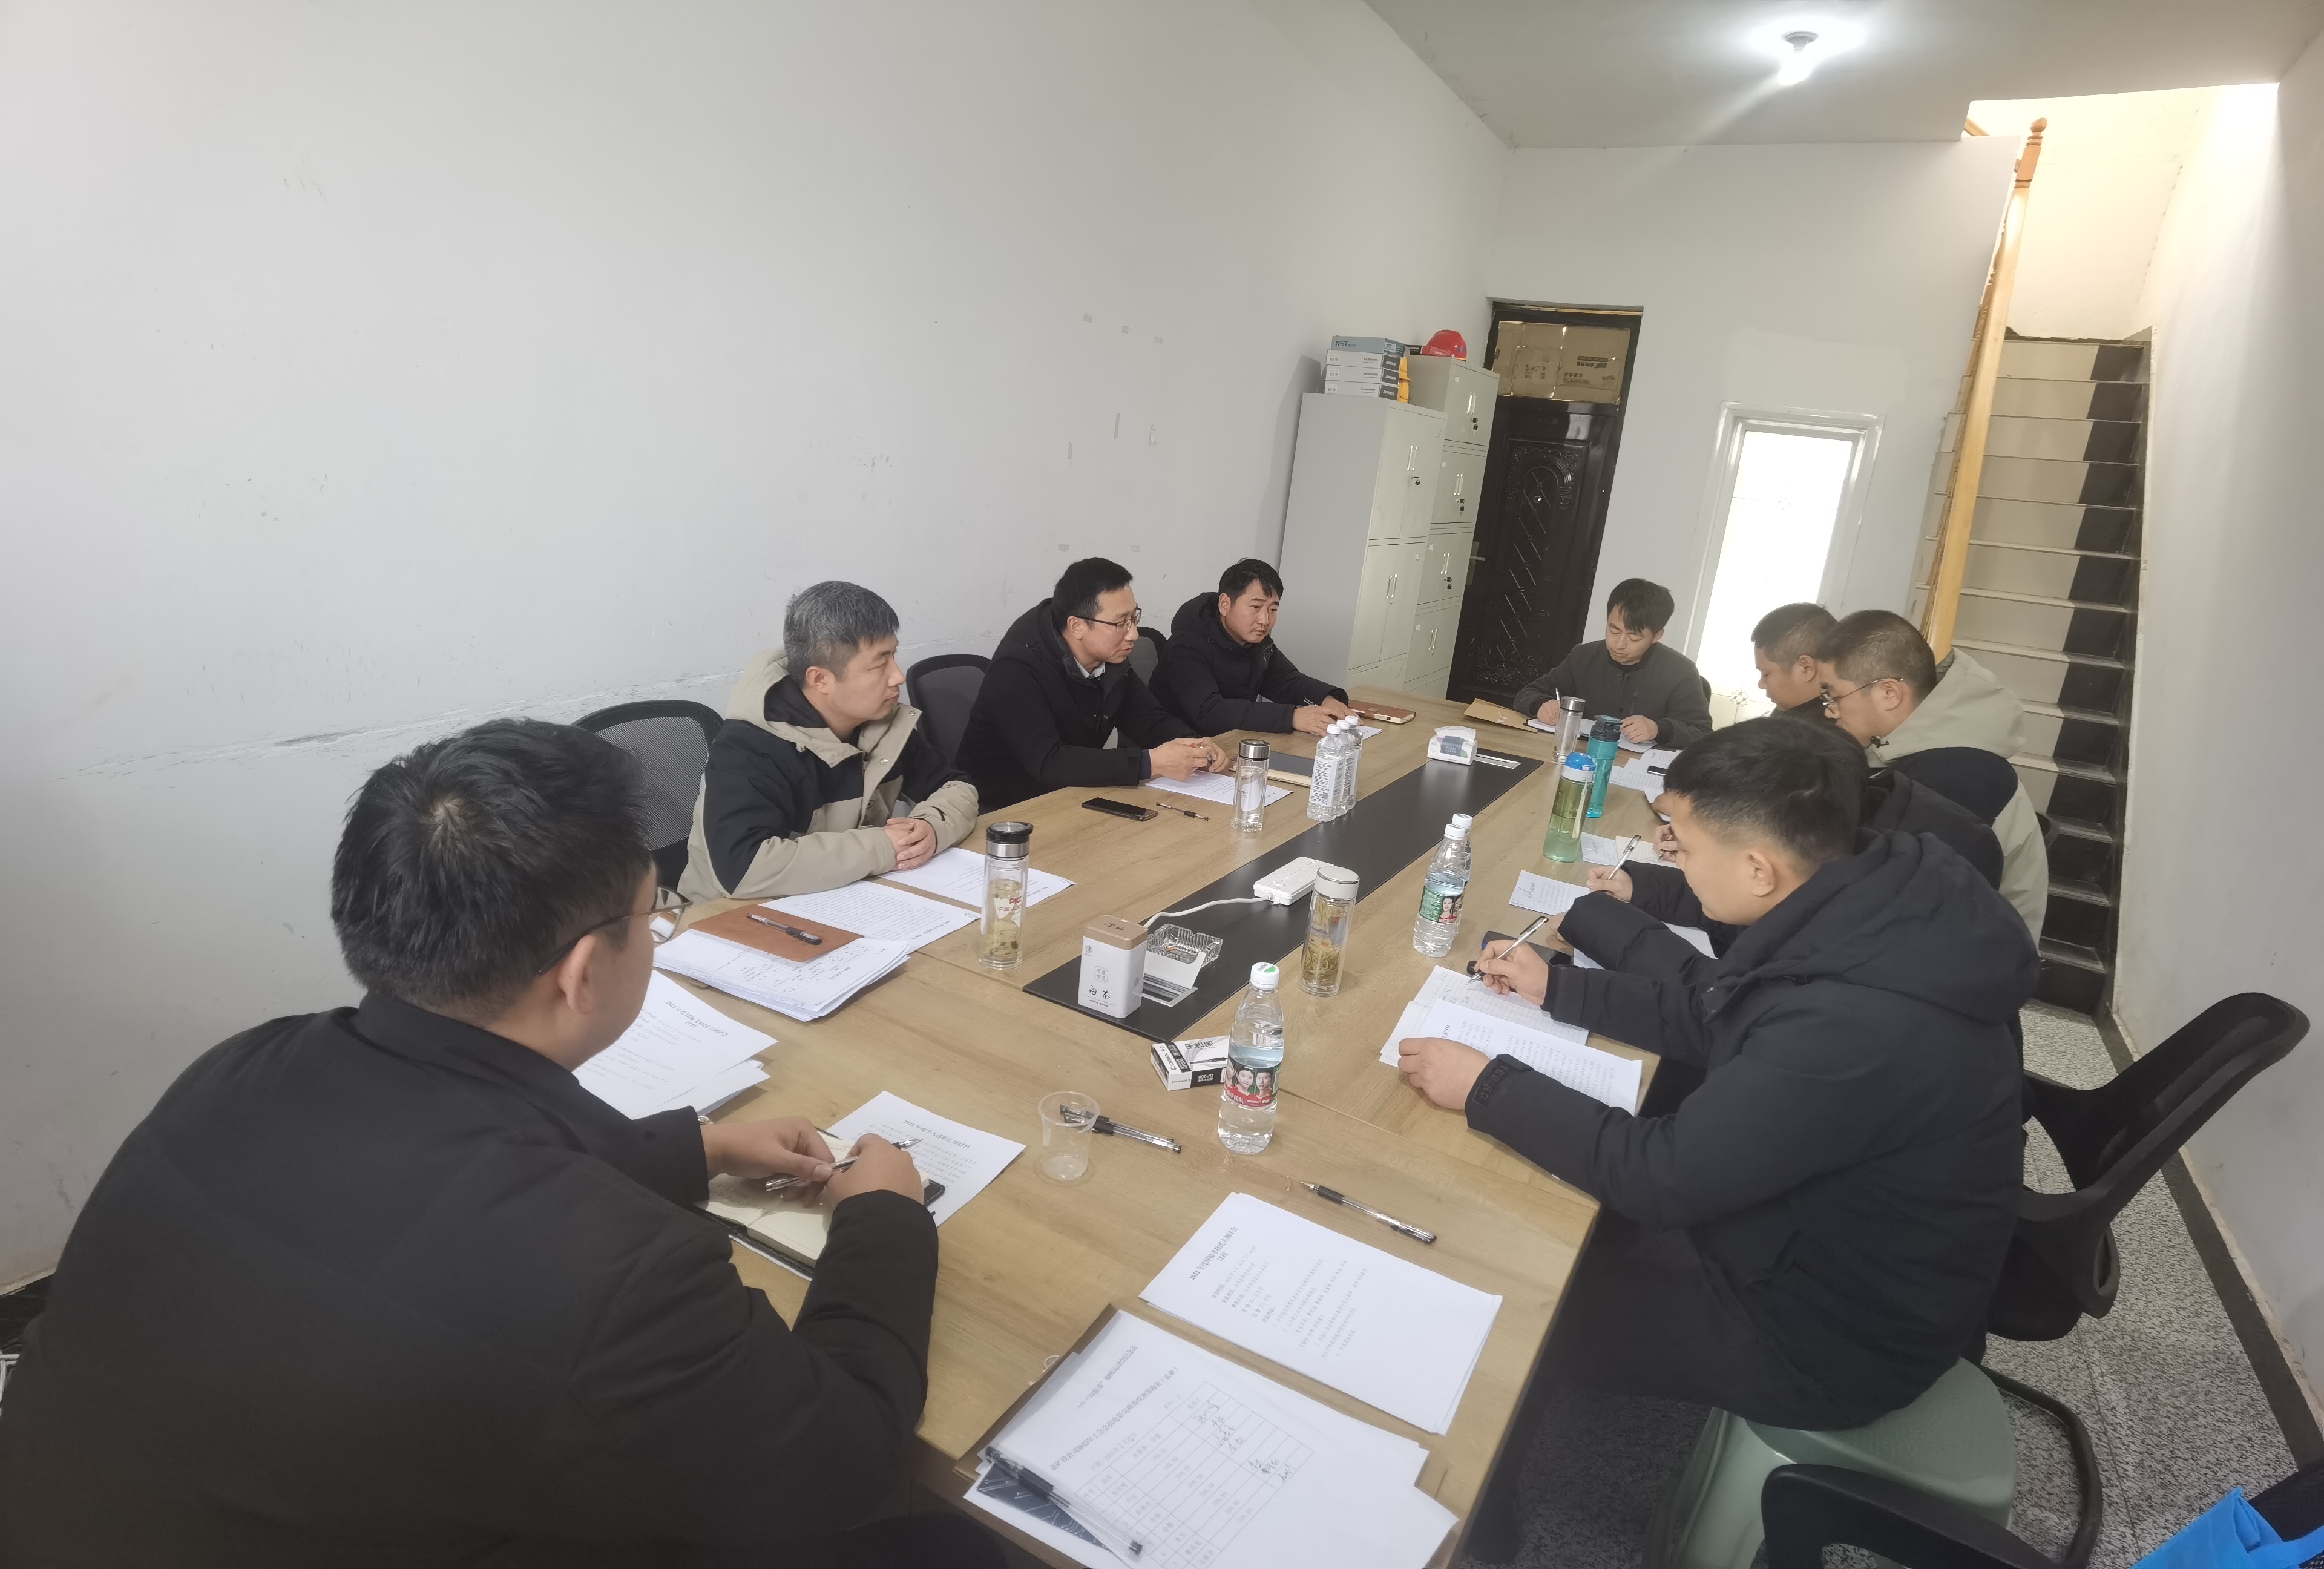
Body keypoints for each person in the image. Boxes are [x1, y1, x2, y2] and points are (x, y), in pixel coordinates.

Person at [0, 719, 999, 1569]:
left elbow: (438, 1195)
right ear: (580, 972)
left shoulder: (249, 1066)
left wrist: (698, 1151)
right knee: (944, 1546)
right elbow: (838, 1462)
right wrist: (881, 1217)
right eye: (654, 912)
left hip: (65, 1519)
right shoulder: (615, 1274)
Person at [1394, 719, 2034, 1561]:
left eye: (1685, 847)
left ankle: (1480, 1526)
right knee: (1551, 1211)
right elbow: (1719, 1012)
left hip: (1824, 1336)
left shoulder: (1855, 1023)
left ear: (1759, 868)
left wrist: (1487, 1084)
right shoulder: (1873, 904)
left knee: (1508, 1290)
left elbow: (1662, 1177)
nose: (1676, 862)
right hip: (1812, 1245)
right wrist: (1560, 990)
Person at [680, 579, 979, 904]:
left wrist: (930, 828)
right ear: (820, 679)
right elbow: (742, 869)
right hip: (726, 917)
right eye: (880, 664)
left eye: (894, 655)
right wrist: (882, 847)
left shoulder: (883, 721)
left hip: (841, 898)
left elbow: (955, 786)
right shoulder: (749, 746)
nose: (898, 676)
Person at [1815, 609, 2049, 938]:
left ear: (1888, 693)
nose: (1830, 711)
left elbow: (1892, 910)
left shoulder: (1959, 778)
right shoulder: (1904, 749)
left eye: (1834, 695)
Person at [954, 556, 1228, 812]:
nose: (1133, 634)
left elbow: (1147, 718)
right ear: (1077, 627)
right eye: (1121, 623)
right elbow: (1049, 762)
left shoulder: (1109, 652)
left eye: (1134, 618)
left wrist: (1193, 745)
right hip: (1003, 810)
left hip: (1072, 795)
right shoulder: (1017, 667)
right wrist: (1150, 763)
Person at [1152, 558, 1352, 735]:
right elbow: (1209, 711)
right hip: (1179, 747)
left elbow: (1287, 681)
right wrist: (1292, 717)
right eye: (1256, 607)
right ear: (1225, 605)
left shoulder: (1254, 641)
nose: (1265, 620)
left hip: (1230, 741)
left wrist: (1326, 699)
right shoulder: (1187, 644)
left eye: (1273, 609)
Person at [1509, 578, 1712, 746]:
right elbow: (1526, 695)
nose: (1620, 644)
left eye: (1634, 637)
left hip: (1636, 770)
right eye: (1614, 630)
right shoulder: (1583, 657)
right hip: (1580, 757)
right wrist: (1541, 705)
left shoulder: (1680, 672)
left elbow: (1701, 732)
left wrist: (1658, 729)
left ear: (1657, 636)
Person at [1751, 601, 1836, 718]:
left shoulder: (1822, 726)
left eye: (1766, 674)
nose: (1761, 685)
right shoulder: (1791, 711)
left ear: (1806, 668)